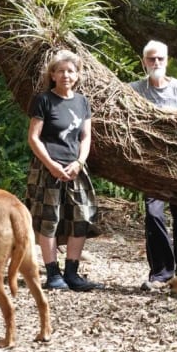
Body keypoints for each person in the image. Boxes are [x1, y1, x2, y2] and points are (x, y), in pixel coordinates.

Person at [129, 40, 177, 290]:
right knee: (153, 214)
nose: (156, 63)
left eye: (160, 59)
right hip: (151, 164)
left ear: (167, 60)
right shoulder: (134, 90)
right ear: (144, 62)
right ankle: (161, 271)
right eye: (151, 59)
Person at [25, 49, 103, 292]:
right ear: (53, 74)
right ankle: (53, 273)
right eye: (61, 71)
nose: (66, 75)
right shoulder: (44, 100)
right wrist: (51, 165)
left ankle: (72, 272)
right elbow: (33, 138)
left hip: (75, 169)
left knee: (81, 218)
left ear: (78, 75)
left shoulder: (82, 102)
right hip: (48, 169)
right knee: (48, 220)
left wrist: (79, 162)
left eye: (71, 71)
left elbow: (86, 137)